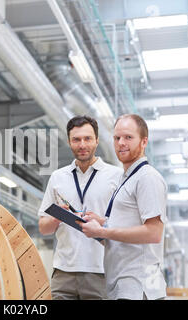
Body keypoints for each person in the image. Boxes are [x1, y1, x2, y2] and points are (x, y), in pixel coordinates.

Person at [77, 114, 167, 300]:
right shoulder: (126, 179)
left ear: (144, 142)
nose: (121, 143)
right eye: (117, 138)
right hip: (123, 282)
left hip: (138, 283)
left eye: (128, 137)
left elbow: (154, 233)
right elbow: (128, 223)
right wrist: (101, 223)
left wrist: (104, 231)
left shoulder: (147, 178)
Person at [38, 115, 122, 300]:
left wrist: (102, 222)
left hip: (101, 270)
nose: (82, 145)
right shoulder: (58, 177)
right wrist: (58, 216)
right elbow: (43, 228)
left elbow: (127, 225)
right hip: (63, 272)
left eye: (87, 139)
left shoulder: (116, 176)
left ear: (97, 141)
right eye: (76, 139)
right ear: (69, 142)